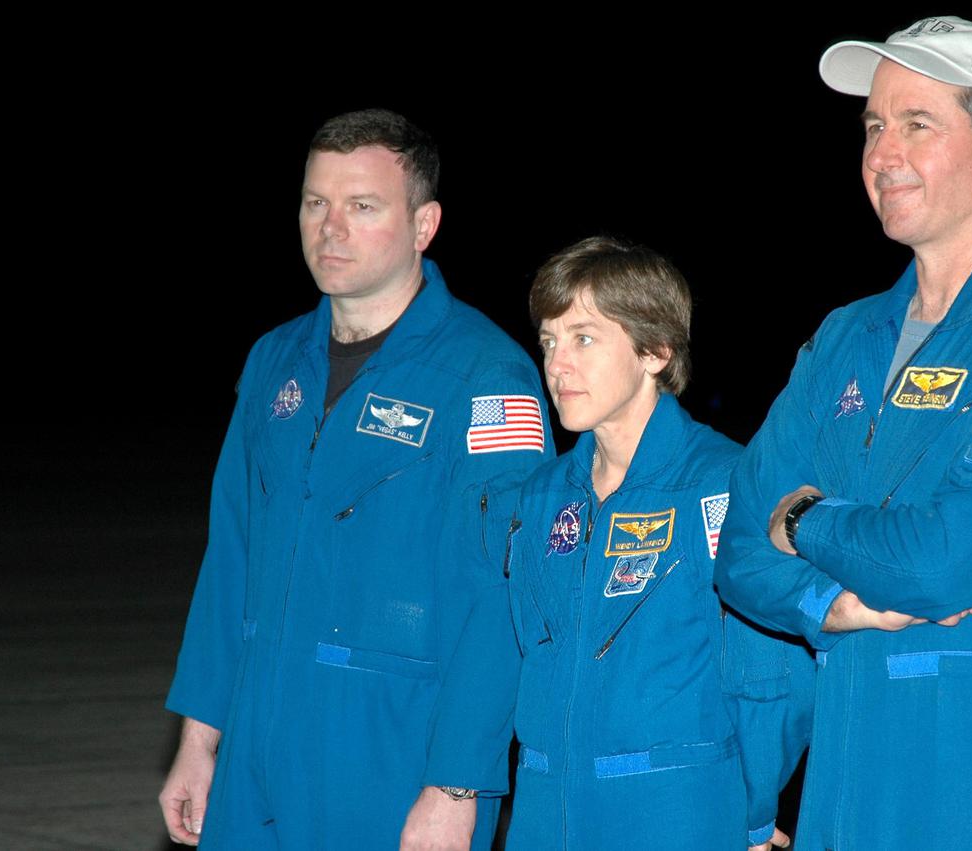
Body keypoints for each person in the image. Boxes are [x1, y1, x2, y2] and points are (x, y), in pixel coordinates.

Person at [715, 17, 972, 850]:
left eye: (917, 123)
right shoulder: (843, 338)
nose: (881, 153)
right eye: (873, 126)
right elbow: (735, 549)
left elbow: (944, 560)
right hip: (844, 764)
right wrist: (828, 603)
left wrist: (803, 522)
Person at [158, 109, 551, 850]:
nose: (330, 228)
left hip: (392, 752)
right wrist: (199, 737)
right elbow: (230, 559)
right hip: (256, 748)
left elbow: (503, 595)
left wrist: (457, 783)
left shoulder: (487, 379)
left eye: (362, 206)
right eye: (316, 202)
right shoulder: (274, 363)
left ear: (423, 224)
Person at [501, 237, 811, 849]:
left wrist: (749, 813)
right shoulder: (541, 496)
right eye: (549, 342)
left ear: (655, 351)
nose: (557, 364)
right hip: (544, 811)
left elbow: (772, 674)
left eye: (583, 338)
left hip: (677, 812)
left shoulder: (721, 485)